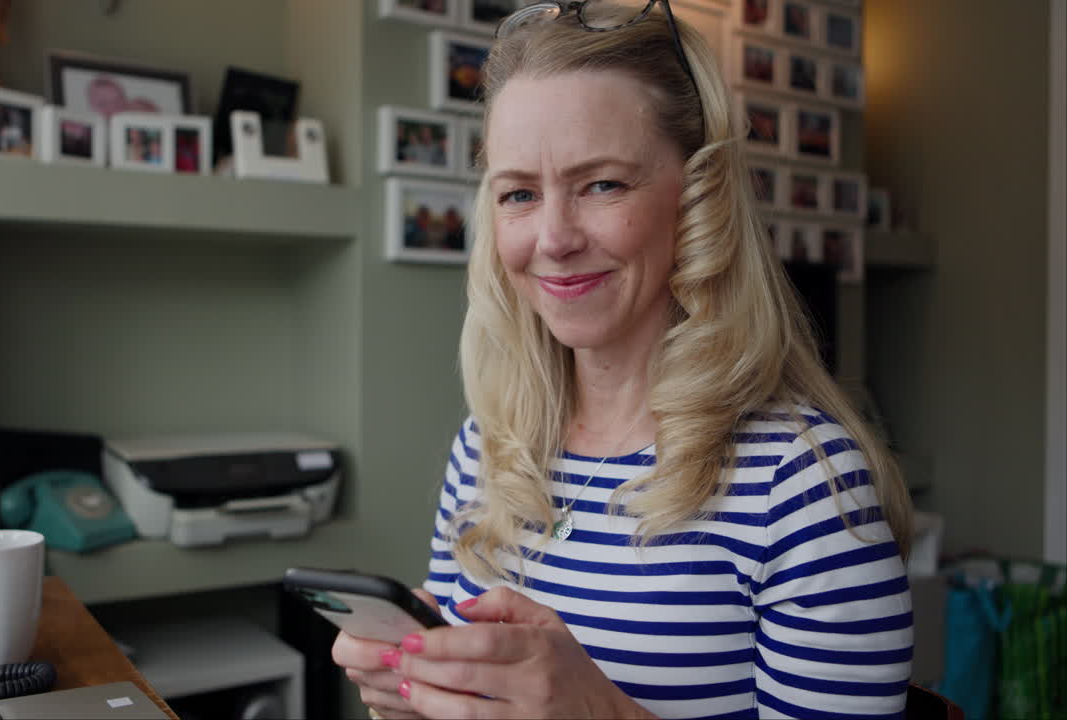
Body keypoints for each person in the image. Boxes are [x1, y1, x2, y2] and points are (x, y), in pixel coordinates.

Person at [333, 1, 914, 719]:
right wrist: (415, 700)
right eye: (519, 193)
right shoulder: (487, 450)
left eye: (602, 183)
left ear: (700, 200)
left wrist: (598, 711)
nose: (553, 237)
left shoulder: (802, 484)